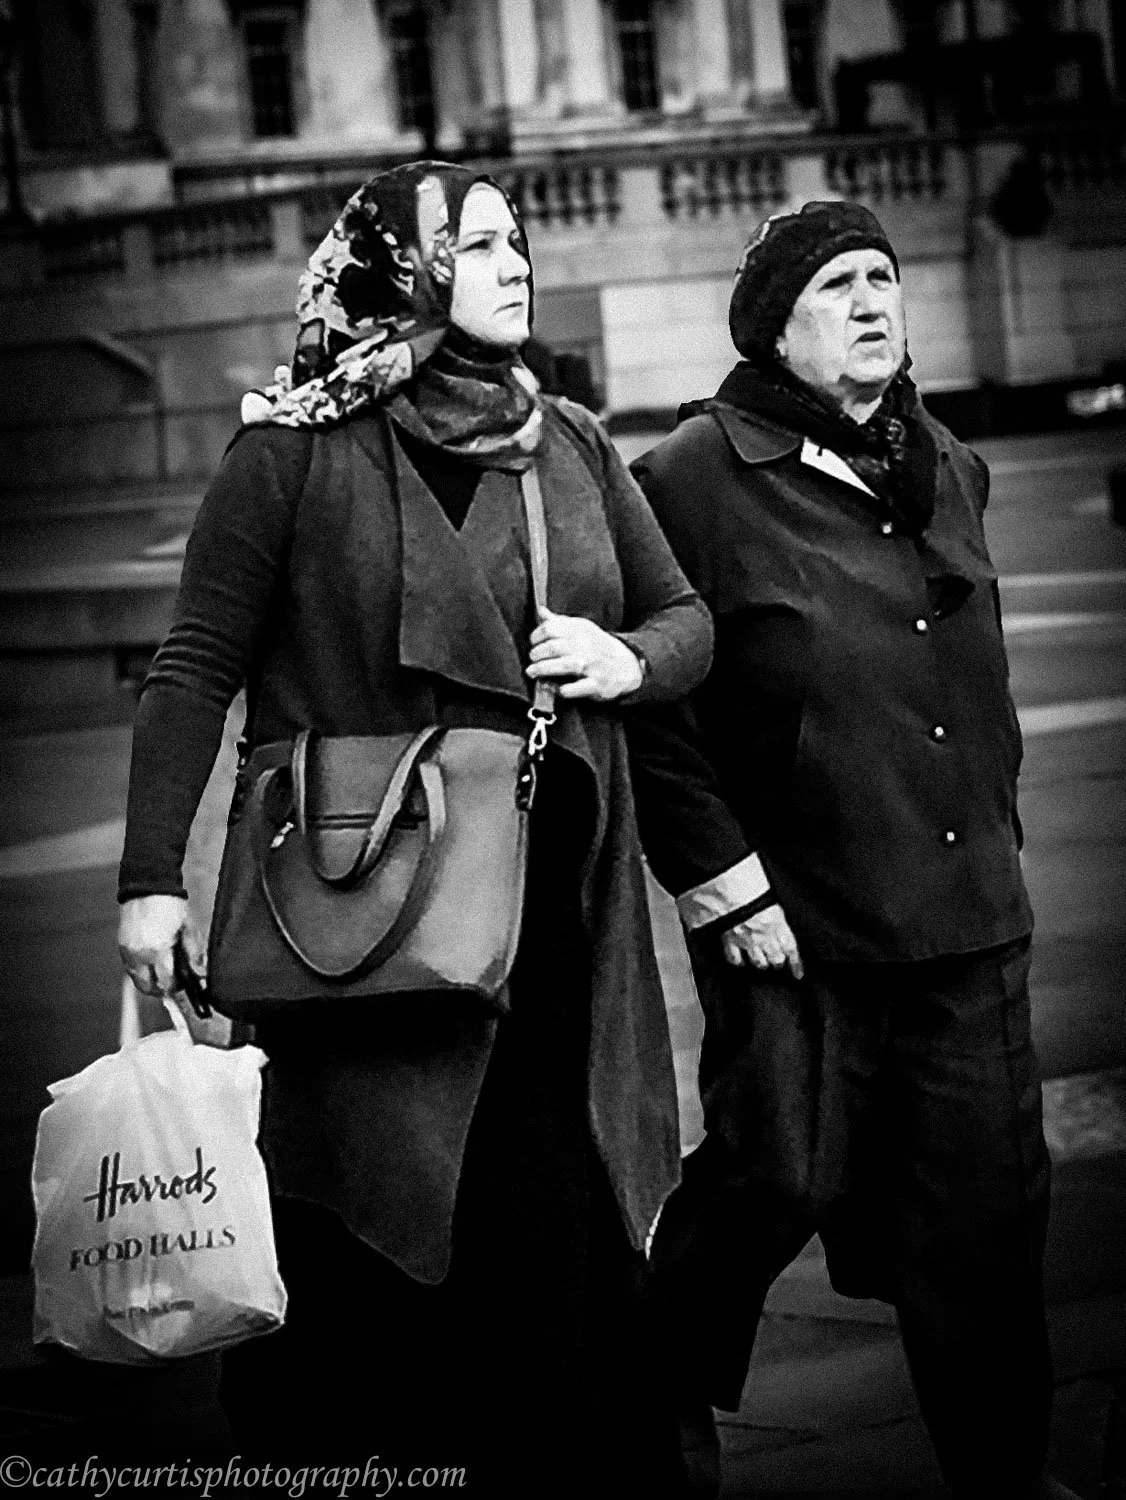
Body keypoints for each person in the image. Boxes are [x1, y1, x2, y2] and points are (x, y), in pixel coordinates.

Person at [116, 162, 713, 1495]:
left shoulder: (567, 441)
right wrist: (150, 879)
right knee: (383, 1213)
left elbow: (686, 620)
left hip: (551, 927)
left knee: (549, 1218)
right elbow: (194, 666)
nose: (516, 263)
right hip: (364, 912)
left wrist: (625, 659)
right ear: (403, 270)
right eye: (479, 244)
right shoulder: (292, 451)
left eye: (516, 241)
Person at [629, 200, 1075, 1499]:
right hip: (799, 930)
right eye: (837, 286)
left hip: (968, 917)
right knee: (768, 1184)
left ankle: (1006, 1476)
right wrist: (723, 887)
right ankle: (648, 1397)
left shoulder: (946, 461)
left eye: (883, 275)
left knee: (986, 1217)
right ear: (774, 327)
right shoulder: (689, 480)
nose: (873, 300)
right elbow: (655, 715)